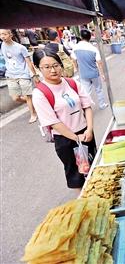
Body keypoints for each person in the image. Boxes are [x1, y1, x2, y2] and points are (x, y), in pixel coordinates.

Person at [32, 48, 96, 193]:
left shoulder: (72, 83)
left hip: (85, 134)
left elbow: (87, 106)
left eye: (55, 65)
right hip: (66, 140)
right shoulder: (40, 93)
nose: (53, 70)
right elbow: (53, 122)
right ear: (38, 68)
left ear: (61, 65)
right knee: (77, 175)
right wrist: (75, 138)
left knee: (92, 166)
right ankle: (84, 204)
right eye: (46, 67)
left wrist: (89, 129)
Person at [0, 29, 38, 123]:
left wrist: (34, 75)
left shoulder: (21, 48)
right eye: (0, 34)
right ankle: (32, 103)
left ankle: (33, 114)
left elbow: (29, 62)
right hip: (10, 75)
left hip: (23, 74)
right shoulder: (2, 45)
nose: (2, 36)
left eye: (4, 34)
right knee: (15, 98)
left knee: (27, 95)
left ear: (11, 35)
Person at [71, 29, 108, 109]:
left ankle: (86, 106)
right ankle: (102, 105)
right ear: (90, 37)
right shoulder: (93, 49)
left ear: (81, 37)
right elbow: (99, 62)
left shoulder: (76, 47)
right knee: (99, 89)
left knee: (85, 91)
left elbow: (73, 59)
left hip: (83, 74)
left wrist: (77, 69)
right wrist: (102, 74)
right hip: (94, 73)